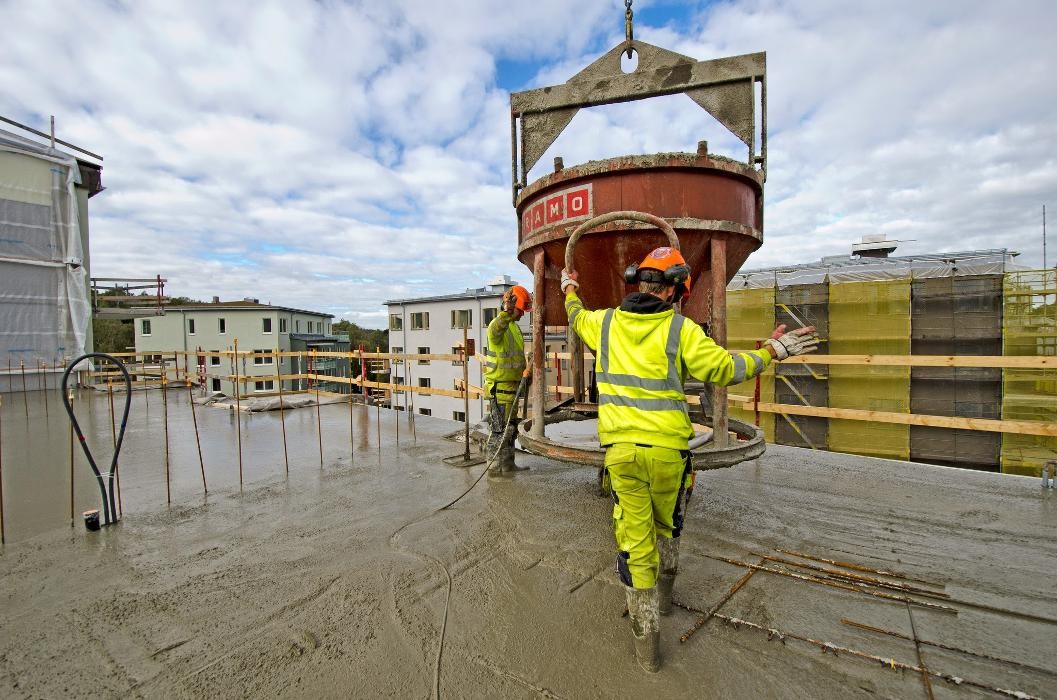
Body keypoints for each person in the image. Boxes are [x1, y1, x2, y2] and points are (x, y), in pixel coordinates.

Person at [561, 246, 819, 672]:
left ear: (638, 283)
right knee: (668, 528)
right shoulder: (680, 331)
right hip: (668, 454)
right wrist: (776, 350)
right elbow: (726, 369)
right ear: (678, 289)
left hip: (621, 455)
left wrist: (571, 288)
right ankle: (664, 603)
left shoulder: (602, 323)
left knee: (634, 541)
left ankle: (647, 653)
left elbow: (575, 314)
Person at [483, 284, 532, 475]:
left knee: (510, 429)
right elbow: (496, 330)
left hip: (513, 388)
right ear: (511, 307)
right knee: (498, 431)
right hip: (500, 389)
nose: (522, 314)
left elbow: (515, 357)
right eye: (521, 310)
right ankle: (494, 469)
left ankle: (509, 465)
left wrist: (525, 373)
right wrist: (505, 313)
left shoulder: (515, 329)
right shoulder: (498, 326)